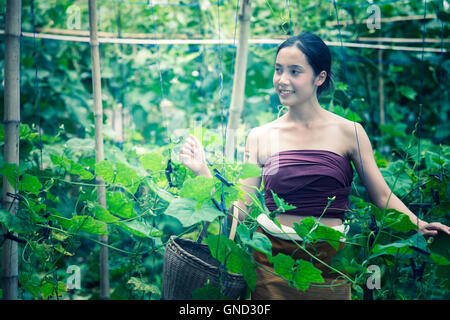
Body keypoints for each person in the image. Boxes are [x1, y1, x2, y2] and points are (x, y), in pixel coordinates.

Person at [178, 32, 450, 300]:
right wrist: (203, 172)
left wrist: (417, 223)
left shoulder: (350, 132)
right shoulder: (260, 136)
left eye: (295, 71)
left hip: (328, 260)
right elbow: (239, 210)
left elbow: (380, 195)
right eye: (278, 70)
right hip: (271, 261)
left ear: (319, 77)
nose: (283, 80)